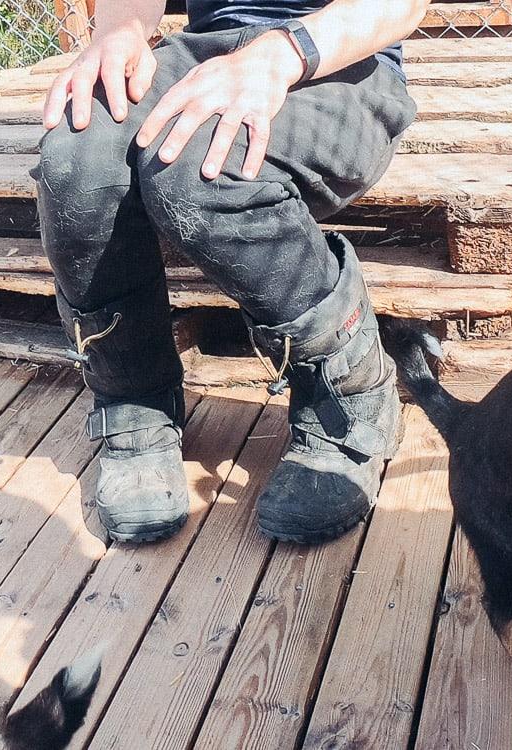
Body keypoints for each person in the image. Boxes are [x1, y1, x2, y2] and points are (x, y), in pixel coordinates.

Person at [35, 0, 428, 544]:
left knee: (204, 171)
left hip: (339, 59)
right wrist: (120, 30)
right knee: (76, 160)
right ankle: (133, 398)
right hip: (205, 52)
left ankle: (350, 393)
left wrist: (282, 53)